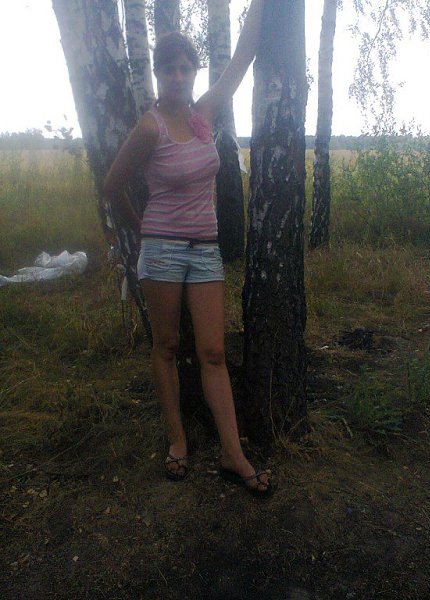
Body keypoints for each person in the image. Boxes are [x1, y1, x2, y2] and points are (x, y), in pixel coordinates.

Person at [104, 0, 271, 497]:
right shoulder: (149, 127)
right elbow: (112, 186)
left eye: (185, 68)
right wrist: (143, 231)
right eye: (168, 69)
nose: (177, 77)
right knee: (168, 345)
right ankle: (177, 440)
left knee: (213, 351)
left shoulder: (205, 113)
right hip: (162, 251)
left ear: (194, 72)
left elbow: (242, 58)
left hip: (205, 251)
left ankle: (231, 453)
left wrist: (260, 7)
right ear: (158, 75)